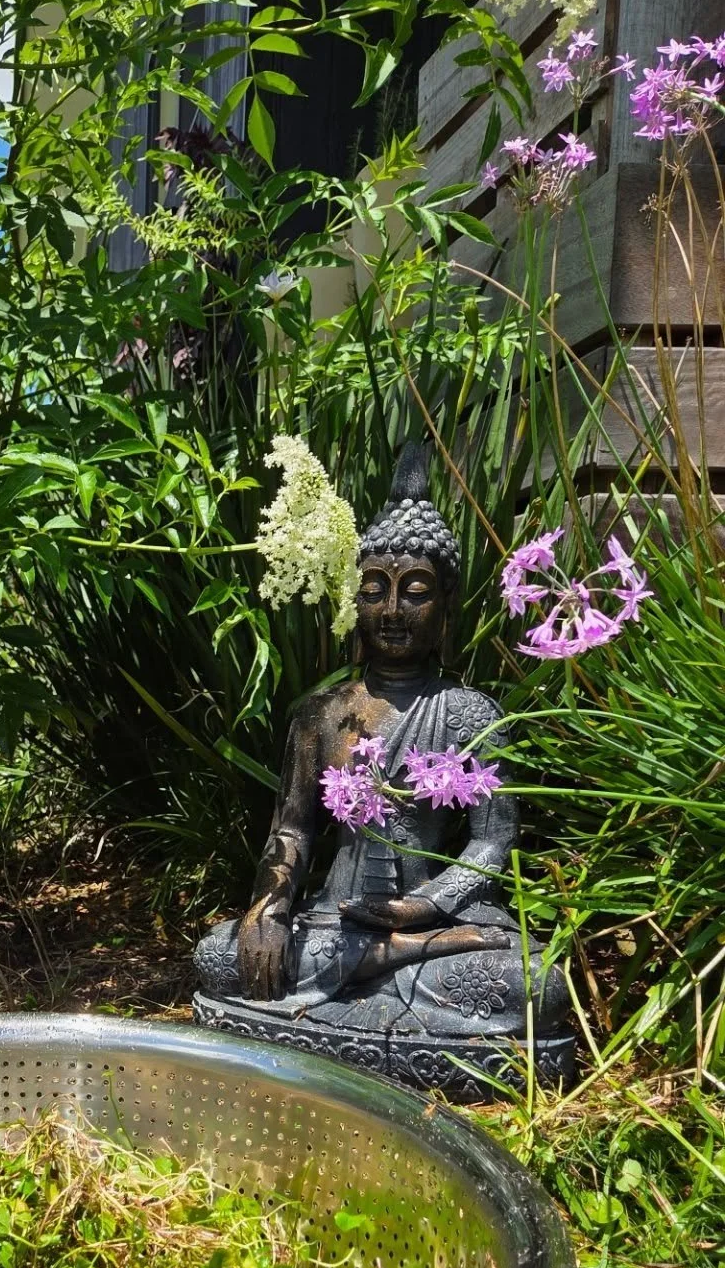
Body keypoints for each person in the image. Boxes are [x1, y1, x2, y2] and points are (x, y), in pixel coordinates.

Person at [193, 446, 574, 1098]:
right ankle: (386, 986)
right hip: (336, 922)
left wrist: (420, 906)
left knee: (538, 982)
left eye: (415, 592)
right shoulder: (322, 714)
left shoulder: (468, 713)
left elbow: (493, 839)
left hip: (436, 921)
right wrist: (268, 909)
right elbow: (292, 833)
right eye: (375, 590)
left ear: (446, 609)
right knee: (218, 957)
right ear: (356, 601)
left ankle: (376, 976)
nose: (393, 610)